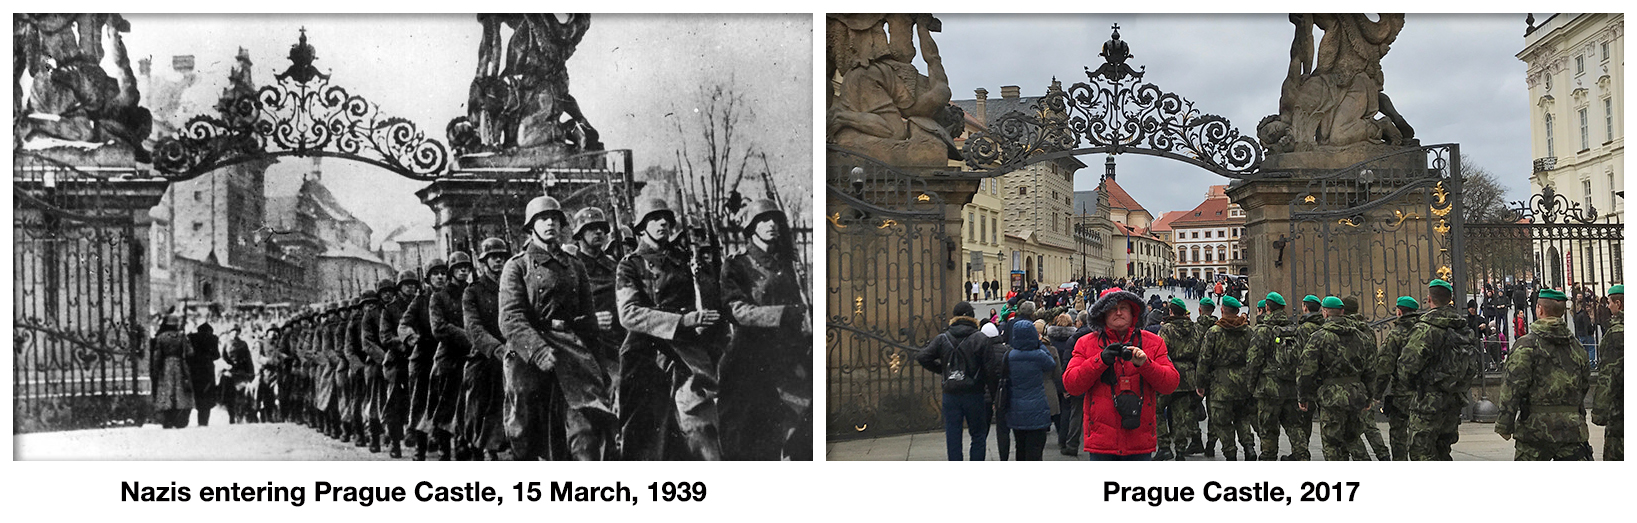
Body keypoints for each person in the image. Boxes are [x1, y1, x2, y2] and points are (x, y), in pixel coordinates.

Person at [502, 196, 618, 460]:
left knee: (585, 428)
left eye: (555, 219)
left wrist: (599, 366)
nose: (550, 223)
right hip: (529, 354)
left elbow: (588, 320)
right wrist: (538, 351)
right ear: (531, 226)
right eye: (543, 219)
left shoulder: (574, 265)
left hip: (571, 350)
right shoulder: (517, 266)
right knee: (526, 428)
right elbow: (510, 317)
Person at [614, 197, 722, 460]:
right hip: (645, 355)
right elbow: (629, 314)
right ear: (641, 226)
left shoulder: (686, 260)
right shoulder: (631, 264)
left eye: (666, 218)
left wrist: (704, 275)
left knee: (699, 424)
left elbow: (708, 301)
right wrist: (680, 321)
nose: (662, 222)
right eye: (654, 218)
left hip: (686, 352)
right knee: (645, 435)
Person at [719, 200, 812, 460]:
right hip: (751, 358)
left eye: (774, 220)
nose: (771, 225)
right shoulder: (737, 264)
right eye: (763, 220)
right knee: (753, 438)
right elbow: (737, 311)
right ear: (751, 227)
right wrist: (782, 314)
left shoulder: (788, 264)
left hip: (789, 355)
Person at [1063, 287, 1180, 460]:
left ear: (1134, 313)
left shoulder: (1153, 342)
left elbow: (1170, 384)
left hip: (1139, 440)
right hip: (1102, 443)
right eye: (1112, 308)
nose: (1118, 312)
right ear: (1102, 314)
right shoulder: (1085, 343)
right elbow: (1071, 384)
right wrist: (1100, 360)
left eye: (1124, 307)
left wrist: (1145, 364)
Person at [1496, 288, 1592, 460]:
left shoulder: (1526, 345)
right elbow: (1584, 384)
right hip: (1571, 430)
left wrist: (1505, 423)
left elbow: (1512, 388)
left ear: (1539, 309)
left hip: (1534, 430)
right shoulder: (1576, 347)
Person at [1397, 279, 1477, 460]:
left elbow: (1407, 366)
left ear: (1429, 299)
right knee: (1443, 449)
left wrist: (1413, 387)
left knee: (1421, 451)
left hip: (1428, 400)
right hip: (1453, 399)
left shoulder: (1426, 329)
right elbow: (1472, 366)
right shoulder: (1462, 327)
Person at [1296, 296, 1374, 461]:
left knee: (1332, 442)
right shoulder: (1361, 336)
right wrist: (1369, 395)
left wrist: (1303, 395)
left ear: (1324, 312)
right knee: (1353, 438)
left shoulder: (1319, 337)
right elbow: (1370, 369)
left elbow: (1306, 370)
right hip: (1356, 393)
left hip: (1331, 396)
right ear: (1343, 312)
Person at [915, 301, 989, 460]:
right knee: (978, 435)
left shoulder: (943, 338)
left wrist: (943, 370)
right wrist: (992, 391)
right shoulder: (980, 338)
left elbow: (922, 356)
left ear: (955, 317)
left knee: (953, 436)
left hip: (951, 393)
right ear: (972, 317)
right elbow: (989, 369)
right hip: (974, 393)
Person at [462, 237, 512, 461]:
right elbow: (474, 328)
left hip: (513, 352)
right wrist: (495, 348)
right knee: (479, 398)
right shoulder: (473, 292)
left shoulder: (514, 285)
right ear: (484, 262)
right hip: (485, 355)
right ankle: (480, 446)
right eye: (493, 257)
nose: (499, 261)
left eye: (502, 257)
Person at [1248, 292, 1308, 461]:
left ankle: (1268, 456)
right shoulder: (1295, 330)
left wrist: (1251, 386)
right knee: (1295, 424)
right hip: (1291, 386)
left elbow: (1254, 361)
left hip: (1268, 387)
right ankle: (1302, 453)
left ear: (1267, 307)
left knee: (1268, 426)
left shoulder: (1263, 330)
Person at [1197, 296, 1258, 460]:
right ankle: (1249, 446)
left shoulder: (1214, 332)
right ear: (1237, 311)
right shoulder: (1248, 331)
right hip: (1243, 382)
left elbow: (1204, 360)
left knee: (1222, 421)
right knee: (1242, 417)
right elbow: (1254, 358)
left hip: (1220, 383)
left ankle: (1230, 453)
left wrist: (1200, 383)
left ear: (1222, 310)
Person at [399, 259, 447, 460]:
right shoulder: (419, 301)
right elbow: (404, 324)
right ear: (427, 278)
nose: (440, 277)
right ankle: (420, 448)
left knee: (445, 401)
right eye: (435, 273)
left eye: (443, 273)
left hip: (445, 353)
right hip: (424, 356)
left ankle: (445, 448)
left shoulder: (451, 296)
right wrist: (411, 337)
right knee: (421, 402)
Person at [1005, 319, 1062, 460]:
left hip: (1016, 408)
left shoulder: (1009, 356)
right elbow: (1051, 364)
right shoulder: (1039, 355)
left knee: (1020, 447)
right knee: (1035, 450)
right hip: (1037, 408)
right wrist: (1039, 344)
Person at [1373, 296, 1421, 460]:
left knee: (1399, 434)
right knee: (1422, 435)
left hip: (1402, 393)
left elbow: (1384, 367)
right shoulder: (1426, 332)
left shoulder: (1396, 335)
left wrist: (1377, 394)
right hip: (1426, 393)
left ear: (1399, 311)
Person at [1153, 298, 1200, 461]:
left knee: (1157, 410)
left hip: (1170, 373)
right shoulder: (1194, 328)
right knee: (1181, 414)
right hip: (1188, 376)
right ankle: (1180, 450)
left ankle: (1164, 446)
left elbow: (1161, 350)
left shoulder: (1166, 329)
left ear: (1171, 312)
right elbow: (1198, 351)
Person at [1343, 295, 1388, 461]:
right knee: (1369, 424)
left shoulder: (1344, 329)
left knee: (1349, 429)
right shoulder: (1366, 329)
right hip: (1364, 383)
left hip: (1347, 385)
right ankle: (1383, 454)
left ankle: (1362, 458)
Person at [378, 272, 418, 458]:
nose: (410, 287)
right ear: (400, 287)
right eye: (406, 284)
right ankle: (395, 442)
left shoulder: (420, 304)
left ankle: (418, 437)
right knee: (395, 402)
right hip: (398, 361)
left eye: (413, 284)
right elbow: (385, 337)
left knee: (419, 399)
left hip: (419, 357)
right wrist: (405, 343)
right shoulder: (390, 309)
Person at [1592, 284, 1623, 460]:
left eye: (1610, 302)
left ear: (1618, 304)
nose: (1608, 306)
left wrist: (1599, 412)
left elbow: (1609, 375)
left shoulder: (1616, 334)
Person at [150, 314, 194, 429]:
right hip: (180, 366)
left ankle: (167, 420)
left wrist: (155, 369)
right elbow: (190, 352)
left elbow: (157, 356)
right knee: (180, 394)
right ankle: (179, 419)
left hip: (166, 367)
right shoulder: (181, 336)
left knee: (167, 393)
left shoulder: (161, 337)